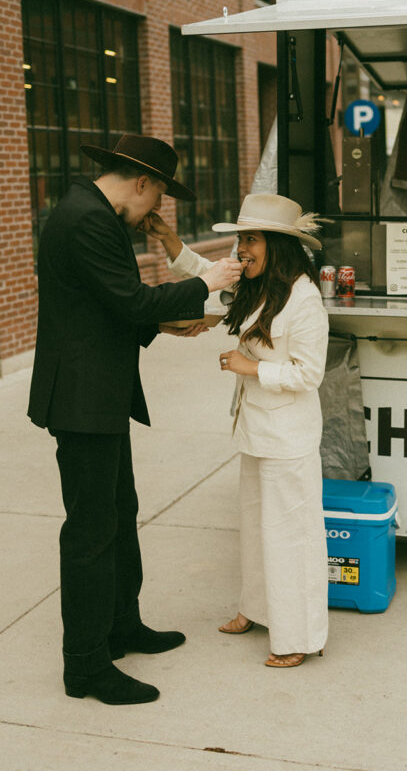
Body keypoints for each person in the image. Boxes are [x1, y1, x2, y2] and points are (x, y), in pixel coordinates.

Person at [27, 134, 240, 706]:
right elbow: (129, 302)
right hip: (81, 398)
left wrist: (167, 325)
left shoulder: (93, 213)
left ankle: (122, 625)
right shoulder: (86, 219)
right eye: (157, 199)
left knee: (120, 512)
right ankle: (86, 666)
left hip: (98, 391)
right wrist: (206, 284)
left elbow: (107, 306)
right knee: (92, 532)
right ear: (142, 182)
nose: (153, 215)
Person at [146, 193, 329, 668]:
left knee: (291, 537)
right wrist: (168, 239)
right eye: (240, 238)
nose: (240, 248)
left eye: (249, 239)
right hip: (257, 431)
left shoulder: (305, 299)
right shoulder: (262, 286)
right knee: (255, 528)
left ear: (277, 245)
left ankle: (296, 636)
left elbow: (309, 375)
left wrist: (251, 367)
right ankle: (256, 609)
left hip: (289, 438)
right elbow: (204, 276)